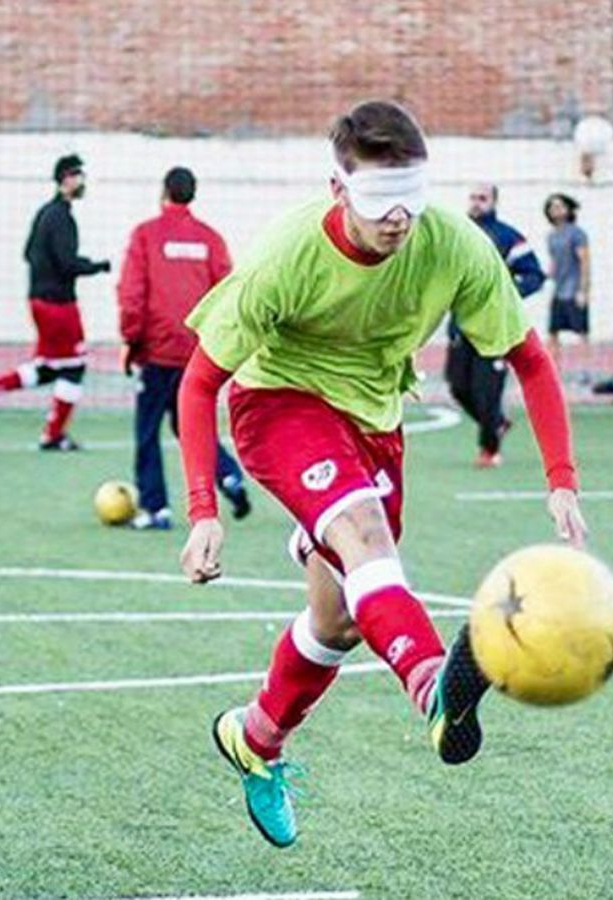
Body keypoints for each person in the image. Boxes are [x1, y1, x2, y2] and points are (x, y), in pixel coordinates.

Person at [176, 100, 586, 848]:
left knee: (339, 621)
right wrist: (203, 507)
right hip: (280, 404)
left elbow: (529, 358)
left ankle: (255, 739)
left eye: (412, 196)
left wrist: (561, 476)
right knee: (364, 535)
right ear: (338, 189)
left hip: (375, 421)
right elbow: (200, 383)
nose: (398, 217)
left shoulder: (453, 244)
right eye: (377, 200)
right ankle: (433, 685)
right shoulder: (287, 255)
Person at [116, 166, 251, 530]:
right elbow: (228, 292)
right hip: (196, 351)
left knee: (148, 431)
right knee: (188, 422)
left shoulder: (146, 235)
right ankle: (229, 477)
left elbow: (132, 293)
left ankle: (156, 508)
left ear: (165, 192)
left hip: (157, 350)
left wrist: (131, 339)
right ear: (192, 195)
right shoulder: (210, 239)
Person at [0, 154, 112, 449]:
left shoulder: (45, 213)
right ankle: (53, 434)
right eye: (77, 175)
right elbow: (66, 263)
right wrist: (98, 266)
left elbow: (29, 253)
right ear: (65, 180)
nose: (81, 181)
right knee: (74, 367)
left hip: (41, 301)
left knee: (50, 368)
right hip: (58, 305)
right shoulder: (61, 217)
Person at [448, 183, 545, 467]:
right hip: (461, 328)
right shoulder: (456, 234)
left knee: (487, 392)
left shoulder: (508, 237)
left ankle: (489, 449)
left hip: (494, 331)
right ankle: (497, 423)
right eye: (473, 197)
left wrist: (505, 293)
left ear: (494, 202)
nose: (476, 203)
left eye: (483, 198)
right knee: (458, 387)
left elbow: (534, 276)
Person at [543, 192, 590, 370]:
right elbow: (554, 263)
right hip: (558, 290)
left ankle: (585, 371)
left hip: (574, 290)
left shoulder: (577, 234)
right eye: (552, 207)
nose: (556, 210)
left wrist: (583, 291)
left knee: (581, 333)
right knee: (553, 332)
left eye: (560, 206)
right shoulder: (551, 236)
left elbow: (585, 262)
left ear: (568, 209)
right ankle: (554, 370)